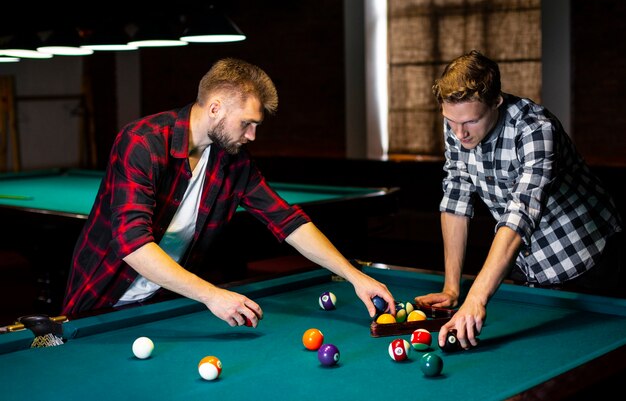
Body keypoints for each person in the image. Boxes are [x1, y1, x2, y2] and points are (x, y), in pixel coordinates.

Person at [62, 57, 395, 325]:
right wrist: (212, 295)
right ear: (215, 108)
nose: (252, 136)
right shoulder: (142, 142)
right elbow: (132, 245)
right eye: (247, 123)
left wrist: (353, 275)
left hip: (161, 305)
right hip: (99, 301)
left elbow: (288, 220)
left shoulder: (232, 161)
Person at [414, 50, 623, 350]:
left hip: (587, 261)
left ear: (496, 102)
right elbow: (456, 197)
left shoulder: (536, 129)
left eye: (470, 121)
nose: (459, 133)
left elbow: (520, 213)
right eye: (450, 121)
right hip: (526, 265)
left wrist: (475, 297)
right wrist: (452, 287)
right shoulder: (458, 126)